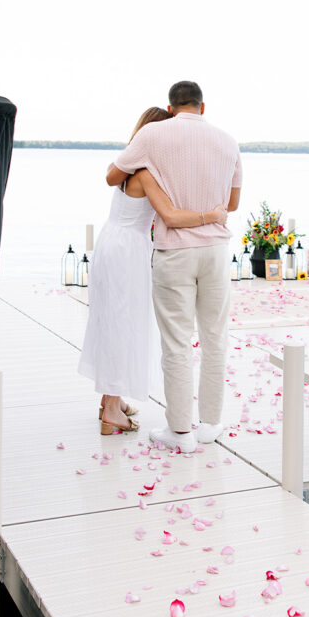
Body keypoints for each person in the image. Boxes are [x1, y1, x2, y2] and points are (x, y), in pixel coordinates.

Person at [107, 81, 242, 452]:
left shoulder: (153, 134)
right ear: (203, 106)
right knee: (215, 338)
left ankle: (180, 432)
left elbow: (114, 174)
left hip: (175, 252)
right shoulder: (228, 141)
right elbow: (231, 204)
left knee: (177, 344)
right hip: (215, 250)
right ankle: (210, 424)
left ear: (170, 108)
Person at [78, 106, 228, 435]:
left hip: (111, 241)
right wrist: (213, 216)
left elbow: (111, 176)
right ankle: (112, 411)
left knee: (112, 318)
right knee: (123, 324)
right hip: (128, 249)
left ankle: (110, 399)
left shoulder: (126, 165)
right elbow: (171, 217)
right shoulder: (146, 172)